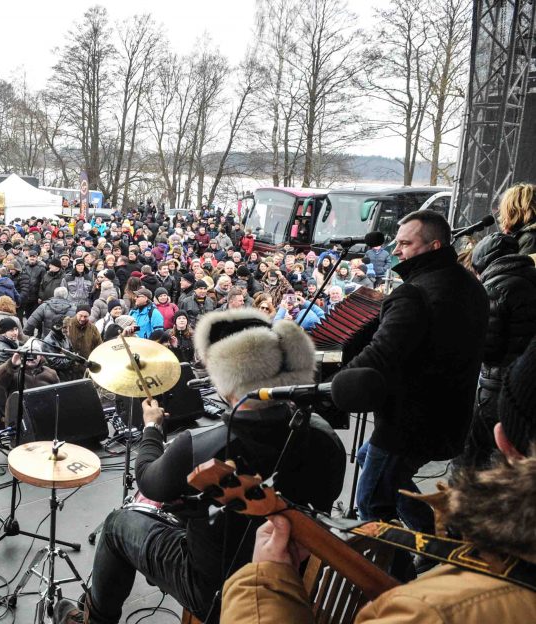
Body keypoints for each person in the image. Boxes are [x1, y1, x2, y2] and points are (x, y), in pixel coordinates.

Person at [54, 309, 345, 624]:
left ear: (227, 379)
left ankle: (92, 620)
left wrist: (151, 429)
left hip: (215, 589)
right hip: (289, 573)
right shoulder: (324, 435)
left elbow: (149, 481)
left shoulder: (203, 447)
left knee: (117, 525)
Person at [222, 334, 536, 623]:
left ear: (504, 441)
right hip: (436, 426)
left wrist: (265, 583)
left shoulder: (433, 612)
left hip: (405, 429)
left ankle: (402, 564)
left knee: (371, 498)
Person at [345, 210, 488, 539]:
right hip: (449, 417)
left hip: (408, 422)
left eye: (406, 244)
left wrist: (339, 385)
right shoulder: (468, 284)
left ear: (433, 245)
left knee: (371, 505)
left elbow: (383, 353)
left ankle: (398, 573)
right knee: (374, 463)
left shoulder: (416, 292)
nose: (397, 251)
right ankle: (435, 533)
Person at [458, 233, 536, 469]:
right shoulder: (531, 278)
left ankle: (465, 502)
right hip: (523, 384)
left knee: (471, 457)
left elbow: (488, 349)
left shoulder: (494, 287)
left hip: (495, 386)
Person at [0, 338, 59, 426]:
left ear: (41, 356)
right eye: (29, 353)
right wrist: (12, 363)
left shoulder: (50, 373)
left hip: (44, 419)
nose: (32, 357)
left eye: (35, 353)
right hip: (19, 422)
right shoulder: (13, 373)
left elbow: (58, 396)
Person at [497, 182, 536, 255]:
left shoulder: (530, 239)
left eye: (504, 208)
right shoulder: (524, 236)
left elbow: (517, 266)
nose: (501, 213)